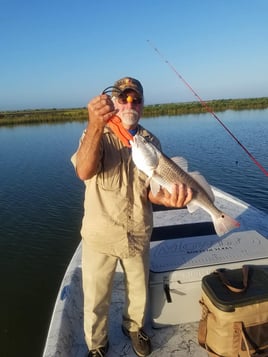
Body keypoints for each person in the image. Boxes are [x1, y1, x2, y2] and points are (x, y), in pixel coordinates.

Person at [71, 77, 192, 357]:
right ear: (113, 102)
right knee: (96, 298)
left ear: (142, 104)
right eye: (123, 98)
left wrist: (162, 198)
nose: (129, 103)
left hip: (137, 230)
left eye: (135, 99)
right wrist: (94, 125)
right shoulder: (95, 134)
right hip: (100, 233)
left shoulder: (151, 141)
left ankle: (134, 327)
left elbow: (151, 188)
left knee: (138, 290)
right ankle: (97, 344)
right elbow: (84, 172)